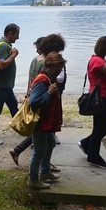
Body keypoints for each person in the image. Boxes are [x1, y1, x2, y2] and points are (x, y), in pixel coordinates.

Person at [8, 33, 66, 168]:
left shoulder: (36, 59)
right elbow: (40, 86)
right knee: (41, 140)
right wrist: (48, 93)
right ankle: (40, 170)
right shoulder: (45, 64)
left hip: (37, 99)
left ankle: (22, 153)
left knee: (46, 139)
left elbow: (32, 81)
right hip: (41, 105)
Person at [78, 36, 106, 169]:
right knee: (101, 127)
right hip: (100, 99)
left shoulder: (99, 60)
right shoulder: (98, 61)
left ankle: (86, 143)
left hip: (102, 98)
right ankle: (93, 156)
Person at [27, 52, 66, 189]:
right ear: (52, 67)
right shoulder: (43, 80)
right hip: (40, 123)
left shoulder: (49, 78)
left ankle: (45, 172)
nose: (60, 71)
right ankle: (33, 179)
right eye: (59, 69)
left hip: (47, 122)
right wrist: (49, 93)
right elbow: (34, 101)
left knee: (51, 143)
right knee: (38, 151)